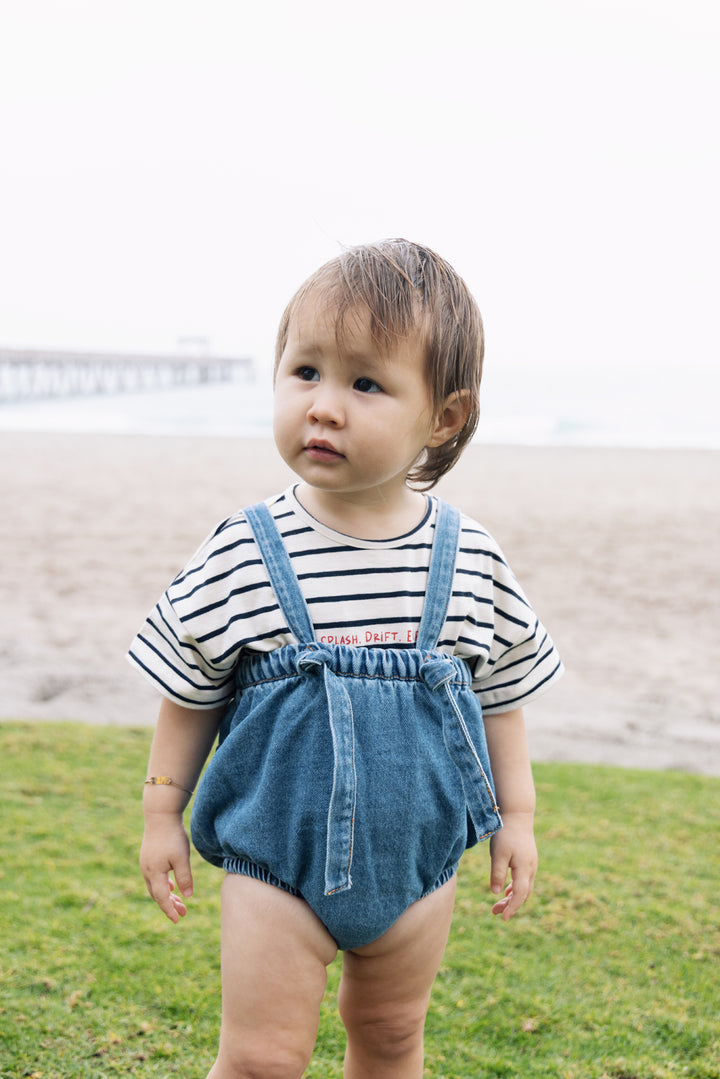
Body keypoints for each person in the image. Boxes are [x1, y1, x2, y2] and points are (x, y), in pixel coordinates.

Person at [130, 238, 563, 1078]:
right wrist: (159, 813)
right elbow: (189, 690)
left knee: (393, 1034)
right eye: (306, 372)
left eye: (366, 383)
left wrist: (520, 817)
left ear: (444, 417)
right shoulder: (246, 548)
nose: (325, 405)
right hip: (276, 859)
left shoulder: (467, 556)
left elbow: (502, 693)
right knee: (261, 1056)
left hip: (418, 861)